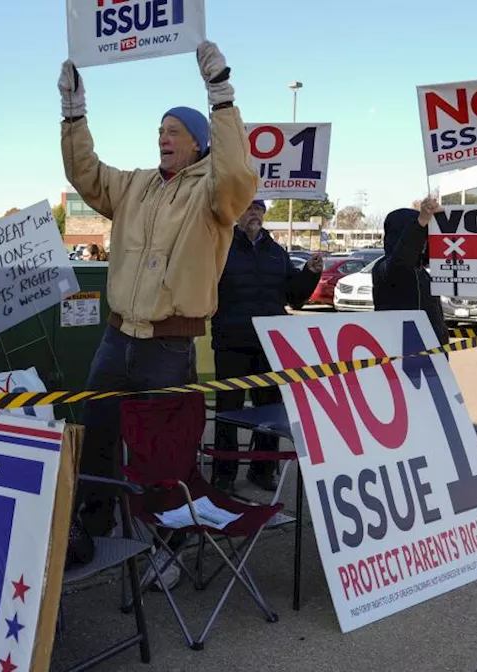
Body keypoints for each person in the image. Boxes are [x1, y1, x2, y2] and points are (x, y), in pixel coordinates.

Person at [58, 40, 258, 577]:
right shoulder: (137, 186)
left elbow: (239, 174)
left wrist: (221, 97)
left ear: (198, 144)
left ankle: (168, 546)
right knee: (97, 436)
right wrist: (73, 113)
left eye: (174, 131)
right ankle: (91, 529)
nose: (162, 138)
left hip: (169, 346)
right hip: (116, 338)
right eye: (160, 131)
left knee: (164, 456)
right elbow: (86, 174)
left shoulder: (215, 194)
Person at [211, 200, 324, 492]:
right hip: (232, 344)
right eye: (248, 208)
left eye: (259, 209)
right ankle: (223, 475)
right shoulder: (221, 247)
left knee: (270, 413)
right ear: (237, 213)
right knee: (228, 413)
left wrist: (310, 273)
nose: (255, 214)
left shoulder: (277, 253)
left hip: (270, 347)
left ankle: (262, 471)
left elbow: (294, 298)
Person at [371, 195, 448, 346]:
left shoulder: (423, 273)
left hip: (432, 357)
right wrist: (420, 224)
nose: (425, 242)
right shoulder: (384, 269)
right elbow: (402, 260)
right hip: (400, 355)